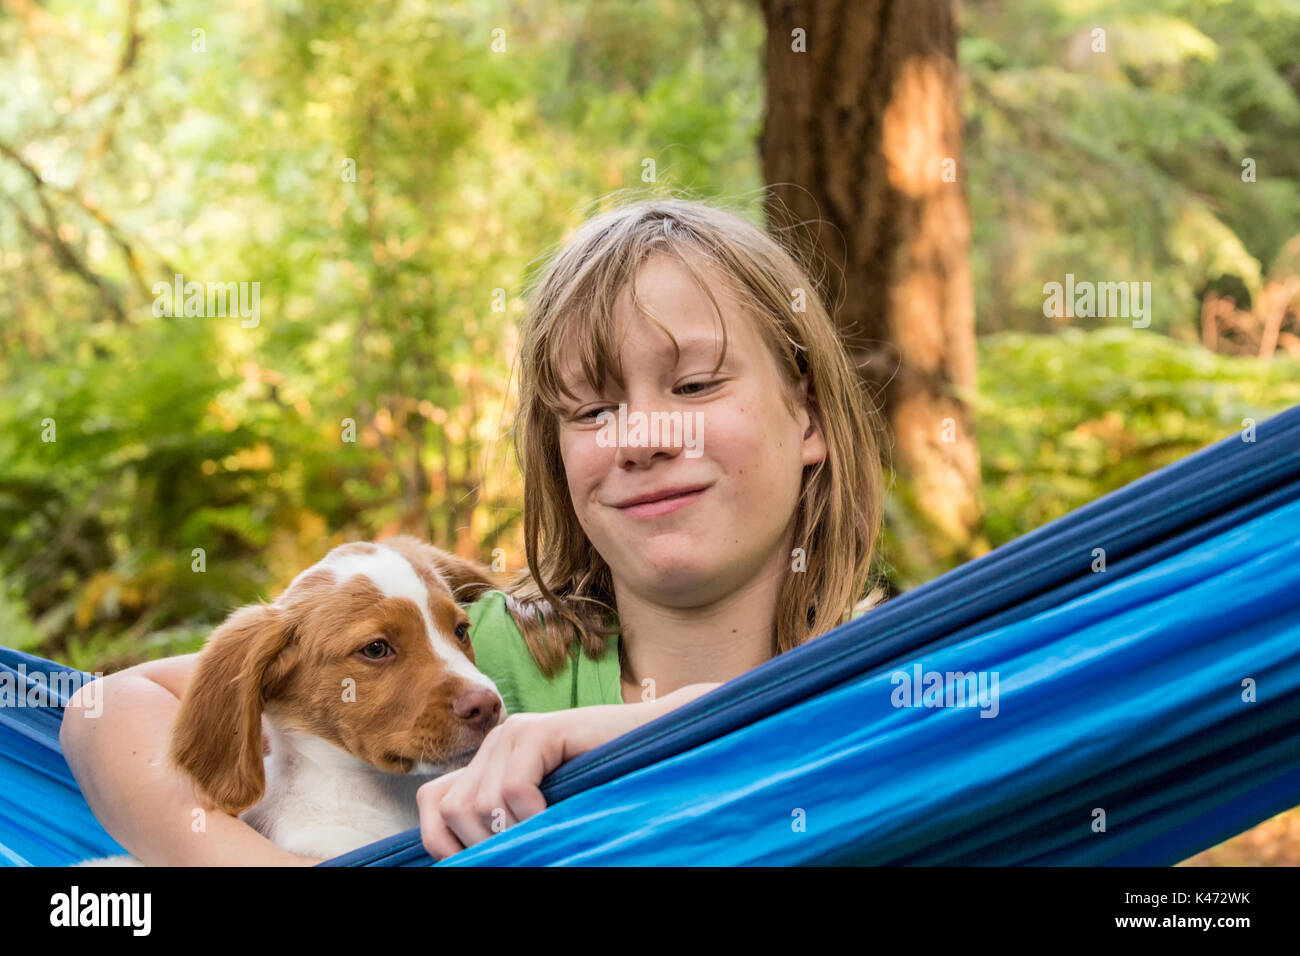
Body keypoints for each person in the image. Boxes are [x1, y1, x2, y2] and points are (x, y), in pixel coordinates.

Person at [59, 195, 884, 865]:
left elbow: (829, 723)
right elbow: (105, 709)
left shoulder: (895, 680)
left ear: (808, 416)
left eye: (697, 385)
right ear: (556, 456)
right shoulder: (495, 652)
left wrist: (580, 735)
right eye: (593, 410)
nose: (641, 439)